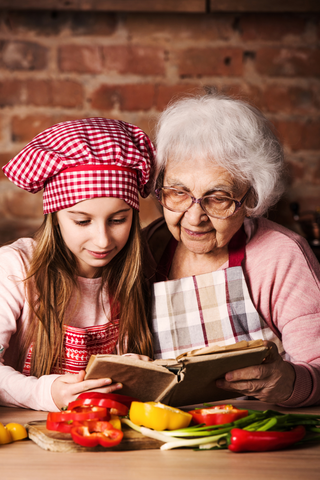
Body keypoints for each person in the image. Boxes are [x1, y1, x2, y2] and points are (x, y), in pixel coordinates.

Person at [143, 90, 320, 407]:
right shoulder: (144, 249)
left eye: (218, 198)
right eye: (178, 193)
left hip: (255, 438)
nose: (194, 217)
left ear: (252, 196)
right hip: (162, 437)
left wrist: (289, 384)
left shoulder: (282, 255)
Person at [0, 117, 155, 411]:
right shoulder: (14, 269)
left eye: (118, 219)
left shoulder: (134, 274)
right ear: (55, 216)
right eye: (82, 221)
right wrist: (47, 393)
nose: (102, 240)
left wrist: (134, 373)